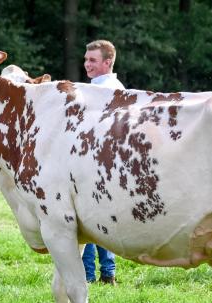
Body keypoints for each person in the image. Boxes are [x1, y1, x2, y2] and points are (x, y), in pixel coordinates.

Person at [81, 40, 123, 285]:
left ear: (107, 62)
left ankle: (90, 275)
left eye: (93, 60)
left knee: (86, 223)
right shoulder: (107, 86)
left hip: (97, 165)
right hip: (103, 164)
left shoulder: (104, 89)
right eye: (86, 60)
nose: (87, 64)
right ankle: (107, 273)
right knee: (99, 222)